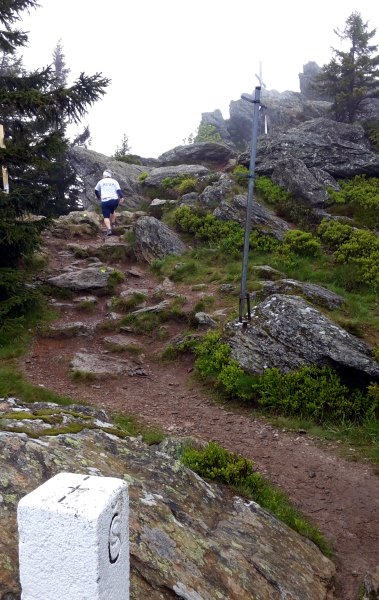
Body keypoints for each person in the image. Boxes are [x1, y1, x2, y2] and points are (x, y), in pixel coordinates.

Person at [94, 170, 124, 236]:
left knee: (106, 217)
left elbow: (96, 190)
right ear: (110, 176)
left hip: (105, 201)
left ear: (104, 175)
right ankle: (113, 224)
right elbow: (118, 190)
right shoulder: (114, 181)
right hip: (114, 201)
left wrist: (98, 197)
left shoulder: (101, 182)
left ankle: (109, 230)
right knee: (112, 211)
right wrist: (121, 197)